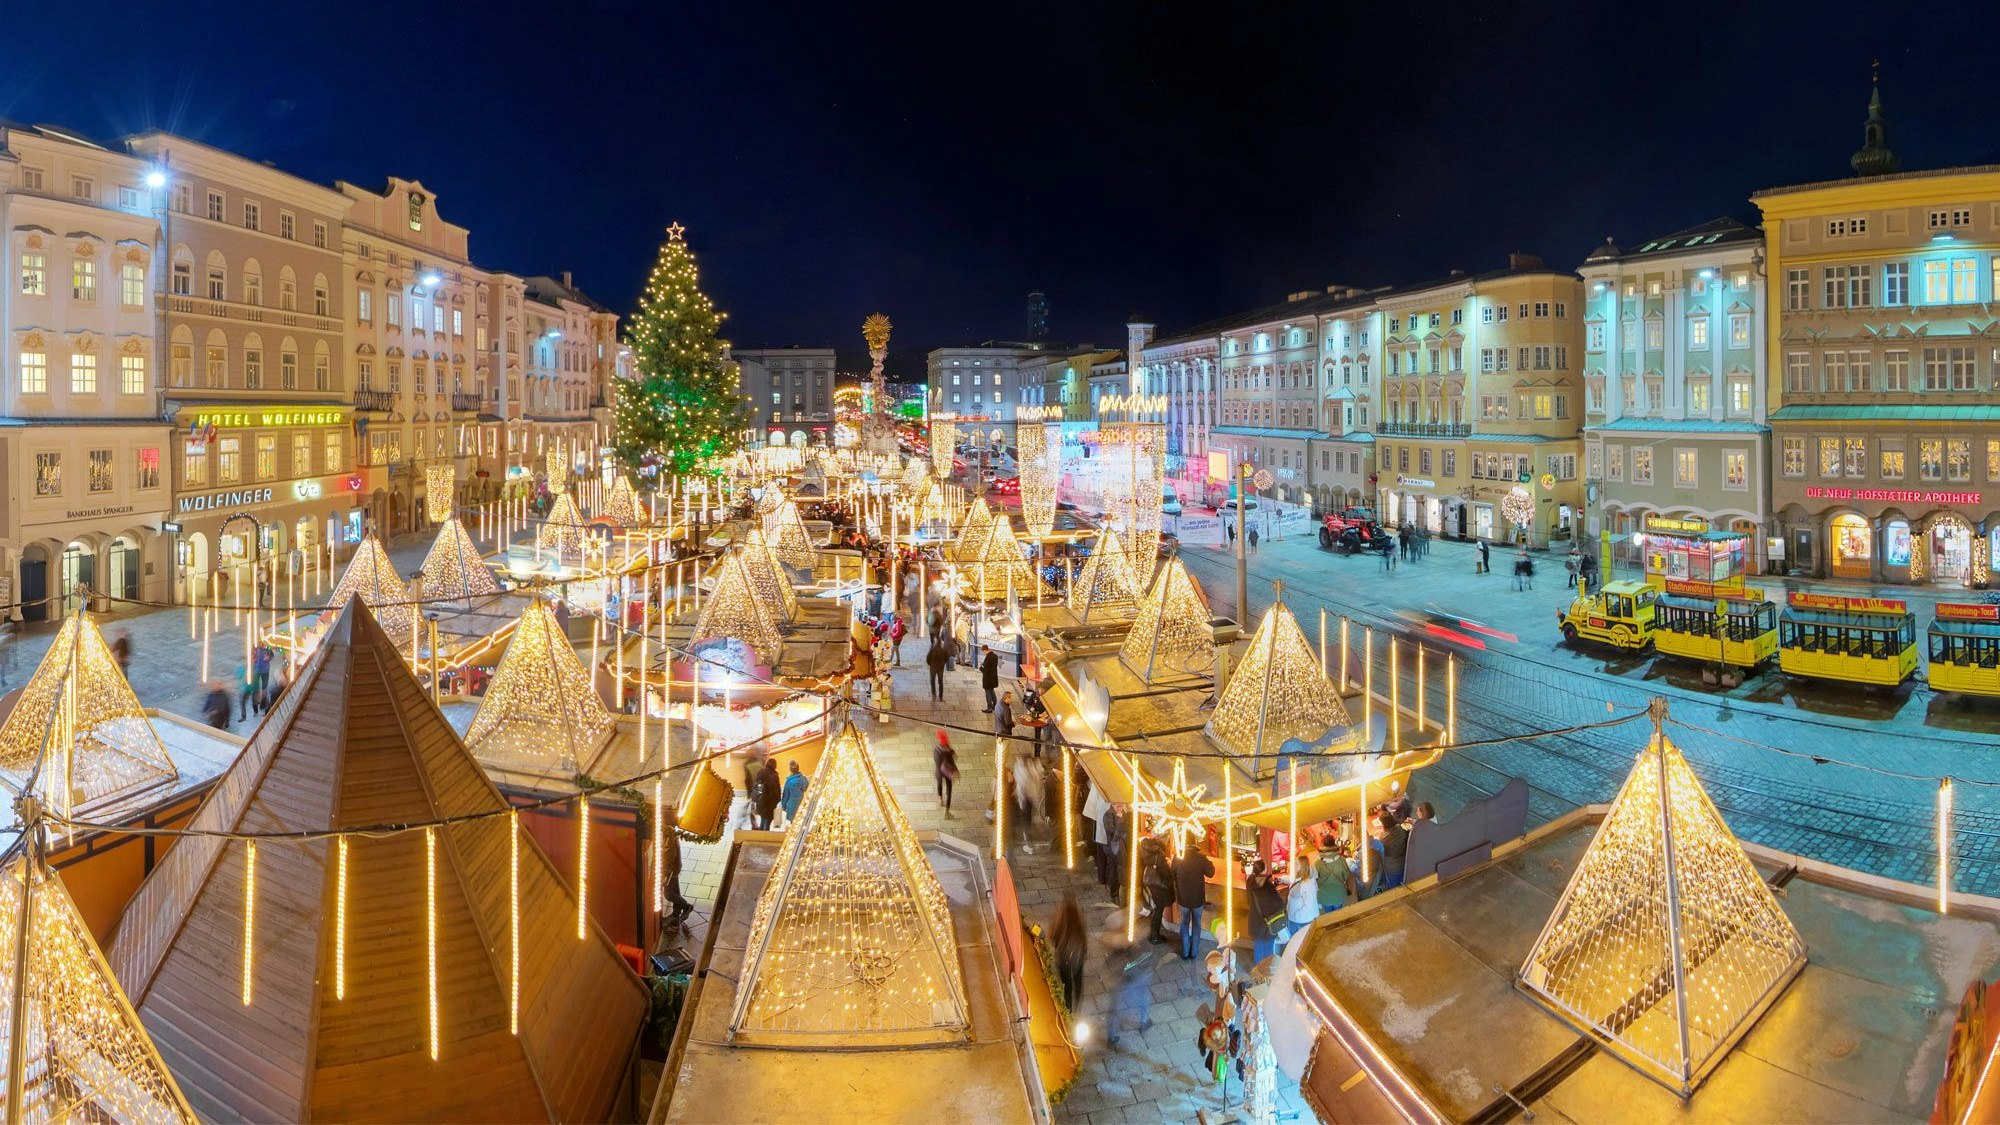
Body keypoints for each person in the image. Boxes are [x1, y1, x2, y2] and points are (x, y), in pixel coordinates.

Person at [1048, 892, 1088, 1012]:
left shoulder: (1060, 921)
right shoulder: (1078, 923)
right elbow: (1084, 940)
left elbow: (1053, 936)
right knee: (1078, 979)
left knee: (1067, 985)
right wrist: (1083, 953)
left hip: (1064, 959)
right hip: (1078, 958)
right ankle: (1077, 1003)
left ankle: (1069, 1009)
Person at [1175, 843, 1214, 960]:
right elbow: (1211, 873)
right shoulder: (1201, 858)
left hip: (1183, 898)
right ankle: (1194, 952)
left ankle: (1185, 952)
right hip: (1197, 899)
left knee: (1184, 923)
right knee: (1197, 924)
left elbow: (1171, 873)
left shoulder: (1177, 857)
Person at [659, 805, 693, 926]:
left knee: (668, 894)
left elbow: (668, 853)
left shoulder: (668, 834)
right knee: (675, 892)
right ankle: (675, 914)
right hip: (675, 867)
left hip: (670, 870)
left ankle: (687, 906)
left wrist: (664, 870)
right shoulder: (671, 831)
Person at [1247, 859, 1285, 965]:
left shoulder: (1249, 882)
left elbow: (1248, 900)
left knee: (1258, 946)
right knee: (1268, 948)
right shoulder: (1268, 886)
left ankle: (1257, 971)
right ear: (1264, 871)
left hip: (1255, 920)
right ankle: (1267, 972)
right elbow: (1278, 904)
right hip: (1269, 923)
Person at [1142, 836, 1175, 945]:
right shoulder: (1159, 854)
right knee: (1159, 909)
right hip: (1159, 884)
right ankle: (1155, 935)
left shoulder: (1146, 849)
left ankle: (1153, 934)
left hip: (1151, 882)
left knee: (1157, 908)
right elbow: (1165, 872)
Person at [1315, 835, 1356, 915]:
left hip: (1325, 895)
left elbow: (1314, 877)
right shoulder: (1341, 860)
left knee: (1328, 916)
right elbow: (1346, 876)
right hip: (1339, 894)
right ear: (1334, 844)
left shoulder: (1318, 862)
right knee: (1337, 916)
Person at [1284, 857, 1319, 948]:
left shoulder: (1308, 884)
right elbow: (1293, 882)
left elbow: (1310, 905)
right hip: (1296, 920)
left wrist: (1296, 915)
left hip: (1302, 921)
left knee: (1300, 946)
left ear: (1302, 867)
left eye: (1296, 864)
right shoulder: (1300, 880)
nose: (1293, 866)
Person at [1377, 811, 1410, 890]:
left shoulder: (1384, 840)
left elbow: (1380, 852)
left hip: (1392, 868)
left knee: (1393, 888)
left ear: (1384, 826)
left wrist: (1380, 836)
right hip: (1403, 863)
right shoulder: (1399, 829)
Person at [753, 757, 782, 830]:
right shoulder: (774, 776)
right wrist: (776, 803)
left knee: (763, 818)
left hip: (760, 801)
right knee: (767, 822)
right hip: (769, 804)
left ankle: (761, 834)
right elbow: (776, 792)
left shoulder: (760, 772)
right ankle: (763, 836)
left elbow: (756, 785)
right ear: (774, 766)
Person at [933, 729, 959, 813]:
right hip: (948, 773)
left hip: (939, 772)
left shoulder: (936, 750)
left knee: (939, 784)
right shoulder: (949, 751)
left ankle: (940, 798)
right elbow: (953, 761)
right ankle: (947, 809)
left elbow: (936, 761)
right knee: (949, 789)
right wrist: (955, 771)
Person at [779, 760, 808, 826]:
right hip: (801, 802)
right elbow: (806, 788)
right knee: (801, 821)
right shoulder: (804, 778)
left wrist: (783, 806)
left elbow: (786, 795)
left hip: (792, 805)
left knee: (794, 824)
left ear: (791, 769)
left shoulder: (789, 782)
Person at [925, 637, 950, 702]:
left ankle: (934, 695)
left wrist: (930, 664)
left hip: (933, 667)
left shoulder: (932, 649)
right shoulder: (944, 649)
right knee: (940, 682)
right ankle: (940, 697)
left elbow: (928, 658)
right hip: (940, 668)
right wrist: (943, 663)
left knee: (932, 681)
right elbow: (947, 658)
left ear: (936, 641)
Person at [979, 645, 1000, 712]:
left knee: (987, 692)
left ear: (985, 650)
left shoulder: (988, 658)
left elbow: (985, 670)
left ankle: (989, 707)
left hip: (988, 678)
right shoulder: (995, 656)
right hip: (993, 677)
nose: (983, 653)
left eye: (983, 651)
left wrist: (980, 667)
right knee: (992, 691)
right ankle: (995, 705)